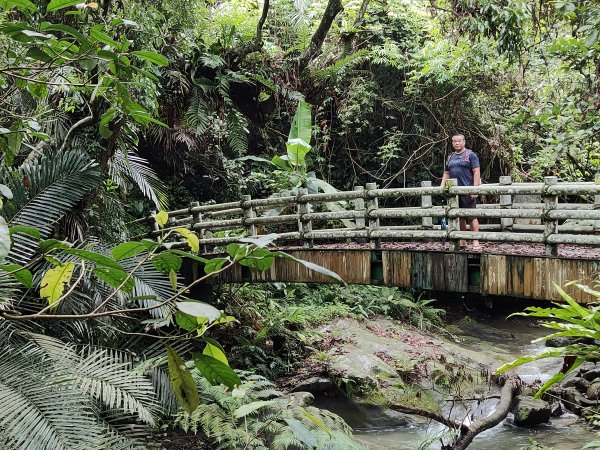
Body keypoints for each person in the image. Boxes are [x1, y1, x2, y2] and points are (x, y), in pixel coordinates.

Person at [440, 134, 481, 248]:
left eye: (459, 141)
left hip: (467, 189)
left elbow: (476, 172)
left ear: (464, 142)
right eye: (454, 141)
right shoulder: (450, 157)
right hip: (454, 192)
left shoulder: (470, 155)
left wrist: (475, 189)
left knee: (472, 216)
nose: (457, 143)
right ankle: (462, 240)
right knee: (460, 216)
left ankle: (475, 241)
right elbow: (446, 173)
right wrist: (442, 186)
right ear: (452, 143)